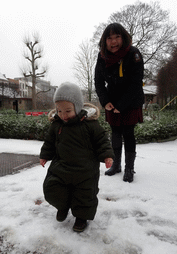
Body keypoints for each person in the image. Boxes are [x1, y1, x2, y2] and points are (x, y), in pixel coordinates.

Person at [40, 82, 114, 232]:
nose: (63, 115)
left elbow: (102, 140)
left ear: (78, 106)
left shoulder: (89, 125)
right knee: (53, 187)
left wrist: (107, 155)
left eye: (67, 110)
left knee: (85, 194)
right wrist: (45, 155)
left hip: (85, 170)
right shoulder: (57, 125)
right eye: (59, 111)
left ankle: (81, 217)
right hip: (62, 167)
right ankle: (63, 206)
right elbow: (49, 142)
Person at [94, 23, 144, 183]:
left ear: (123, 38)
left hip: (131, 100)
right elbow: (98, 81)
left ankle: (129, 168)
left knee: (128, 133)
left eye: (117, 37)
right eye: (109, 38)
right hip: (112, 101)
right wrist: (105, 101)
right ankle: (116, 164)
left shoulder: (134, 54)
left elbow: (136, 83)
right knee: (115, 133)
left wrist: (121, 106)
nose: (113, 41)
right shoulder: (102, 56)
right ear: (105, 40)